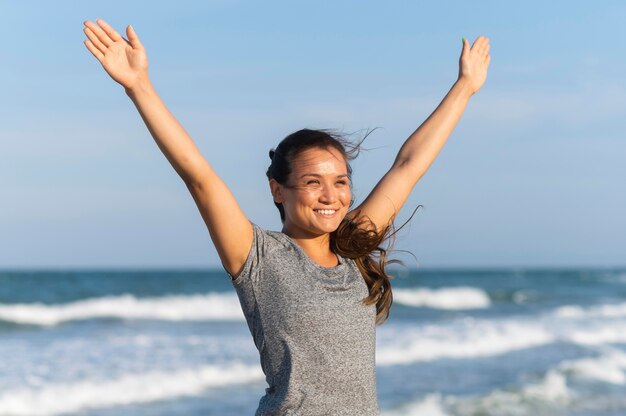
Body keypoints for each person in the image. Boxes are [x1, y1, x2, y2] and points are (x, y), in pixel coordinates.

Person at [83, 18, 490, 415]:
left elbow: (408, 165)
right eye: (313, 182)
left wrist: (465, 88)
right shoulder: (258, 256)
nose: (331, 196)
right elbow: (199, 176)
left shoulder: (353, 246)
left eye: (341, 182)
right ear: (278, 189)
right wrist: (139, 86)